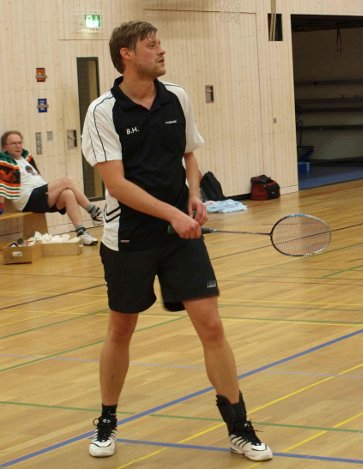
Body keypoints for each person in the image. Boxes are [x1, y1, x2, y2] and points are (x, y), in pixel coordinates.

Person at [80, 21, 272, 461]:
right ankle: (107, 420)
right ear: (126, 54)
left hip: (179, 235)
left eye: (159, 43)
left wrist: (194, 193)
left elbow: (189, 154)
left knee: (212, 326)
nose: (161, 50)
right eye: (152, 45)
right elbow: (117, 185)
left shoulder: (178, 98)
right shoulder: (103, 110)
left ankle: (239, 426)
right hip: (128, 235)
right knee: (121, 328)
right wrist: (171, 214)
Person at [0, 130, 101, 245]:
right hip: (28, 199)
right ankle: (94, 211)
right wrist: (1, 205)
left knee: (68, 193)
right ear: (5, 146)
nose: (17, 146)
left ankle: (82, 232)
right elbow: (1, 183)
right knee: (67, 181)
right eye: (13, 143)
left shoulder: (26, 158)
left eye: (19, 142)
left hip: (40, 195)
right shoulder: (4, 161)